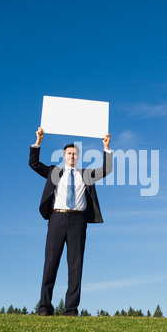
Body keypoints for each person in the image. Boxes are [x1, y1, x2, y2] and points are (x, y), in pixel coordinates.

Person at [29, 127, 113, 316]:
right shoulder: (54, 171)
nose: (72, 156)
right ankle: (44, 306)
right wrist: (39, 141)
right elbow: (33, 163)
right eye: (69, 154)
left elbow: (107, 169)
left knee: (75, 265)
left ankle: (71, 309)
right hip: (57, 218)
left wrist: (106, 147)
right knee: (50, 262)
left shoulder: (86, 174)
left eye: (75, 154)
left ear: (78, 157)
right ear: (64, 156)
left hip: (78, 221)